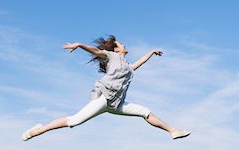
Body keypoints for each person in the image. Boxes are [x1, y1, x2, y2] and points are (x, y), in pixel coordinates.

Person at [22, 35, 191, 141]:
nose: (124, 45)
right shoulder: (110, 56)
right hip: (103, 99)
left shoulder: (129, 67)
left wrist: (152, 52)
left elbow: (141, 61)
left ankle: (173, 131)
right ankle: (38, 131)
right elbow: (96, 50)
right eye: (121, 43)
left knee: (145, 111)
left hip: (117, 104)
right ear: (116, 49)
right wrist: (79, 44)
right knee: (73, 121)